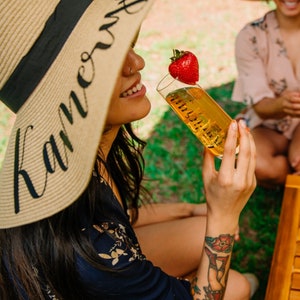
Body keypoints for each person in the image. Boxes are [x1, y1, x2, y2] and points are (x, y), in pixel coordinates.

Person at [0, 0, 257, 299]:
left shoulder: (77, 158)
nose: (136, 63)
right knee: (234, 287)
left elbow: (118, 220)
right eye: (103, 64)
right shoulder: (96, 251)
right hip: (88, 280)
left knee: (202, 230)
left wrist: (194, 209)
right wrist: (224, 215)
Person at [232, 0, 300, 188]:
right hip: (268, 123)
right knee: (258, 164)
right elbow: (261, 106)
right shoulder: (250, 36)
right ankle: (289, 176)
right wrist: (282, 105)